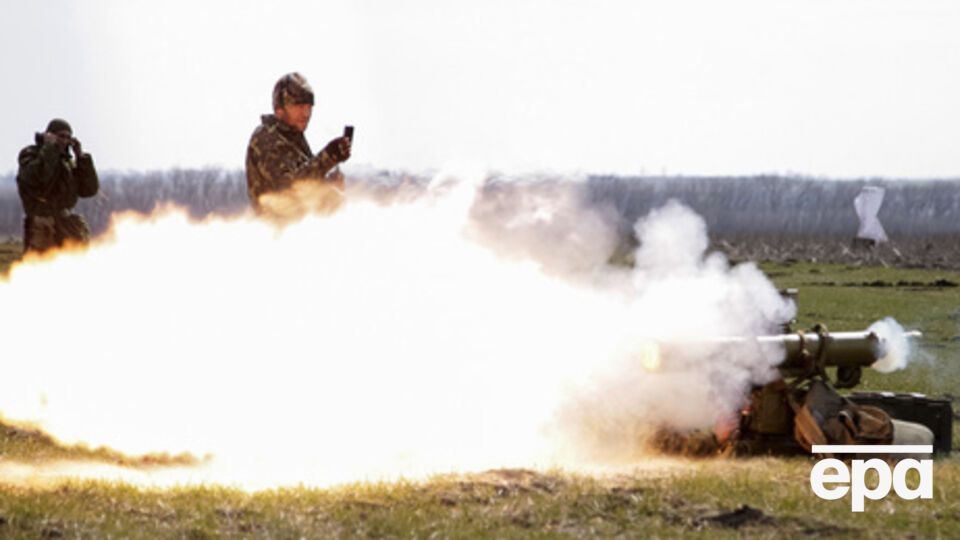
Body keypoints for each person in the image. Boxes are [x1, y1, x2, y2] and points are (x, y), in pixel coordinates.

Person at [245, 72, 352, 213]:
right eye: (299, 106)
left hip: (303, 226)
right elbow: (289, 189)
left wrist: (328, 182)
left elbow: (305, 182)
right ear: (279, 109)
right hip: (276, 230)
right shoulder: (266, 139)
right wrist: (327, 157)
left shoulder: (293, 138)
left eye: (309, 107)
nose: (306, 114)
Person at [16, 118, 99, 254]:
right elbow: (39, 177)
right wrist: (49, 148)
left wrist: (81, 158)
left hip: (66, 225)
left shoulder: (67, 162)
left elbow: (89, 190)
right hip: (42, 224)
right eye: (61, 136)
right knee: (40, 266)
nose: (64, 141)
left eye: (68, 137)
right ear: (49, 135)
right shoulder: (31, 154)